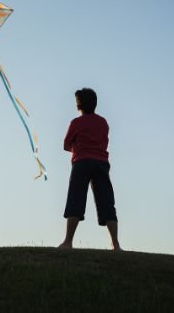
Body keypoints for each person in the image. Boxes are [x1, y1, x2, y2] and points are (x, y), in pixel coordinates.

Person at [58, 88, 121, 250]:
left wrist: (77, 147)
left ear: (78, 105)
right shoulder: (103, 122)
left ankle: (68, 242)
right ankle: (115, 244)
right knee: (107, 202)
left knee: (75, 199)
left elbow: (66, 144)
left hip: (81, 162)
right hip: (101, 163)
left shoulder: (76, 123)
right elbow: (103, 142)